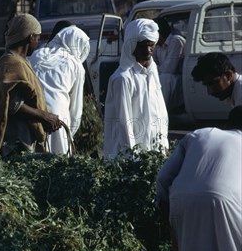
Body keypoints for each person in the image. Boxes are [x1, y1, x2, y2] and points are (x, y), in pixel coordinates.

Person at [155, 106, 242, 251]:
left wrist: (169, 219)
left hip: (181, 200)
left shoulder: (201, 134)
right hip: (228, 201)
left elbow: (162, 178)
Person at [0, 13, 61, 157]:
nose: (38, 42)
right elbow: (13, 104)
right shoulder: (12, 63)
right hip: (16, 138)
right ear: (31, 37)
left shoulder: (18, 61)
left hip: (22, 135)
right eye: (38, 38)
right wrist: (44, 116)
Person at [103, 18, 169, 159]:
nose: (147, 50)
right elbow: (124, 123)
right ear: (131, 45)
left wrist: (164, 143)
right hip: (131, 157)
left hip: (153, 150)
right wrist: (133, 158)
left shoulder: (152, 70)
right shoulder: (122, 78)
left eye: (151, 45)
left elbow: (160, 110)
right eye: (142, 45)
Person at [29, 25, 90, 155]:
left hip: (32, 113)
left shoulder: (37, 54)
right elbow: (75, 109)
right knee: (58, 165)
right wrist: (69, 134)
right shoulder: (76, 65)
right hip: (58, 120)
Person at [153, 17, 186, 112]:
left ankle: (160, 111)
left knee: (165, 78)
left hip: (178, 79)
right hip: (164, 76)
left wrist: (156, 68)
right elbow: (151, 64)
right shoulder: (157, 45)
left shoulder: (176, 41)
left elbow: (169, 69)